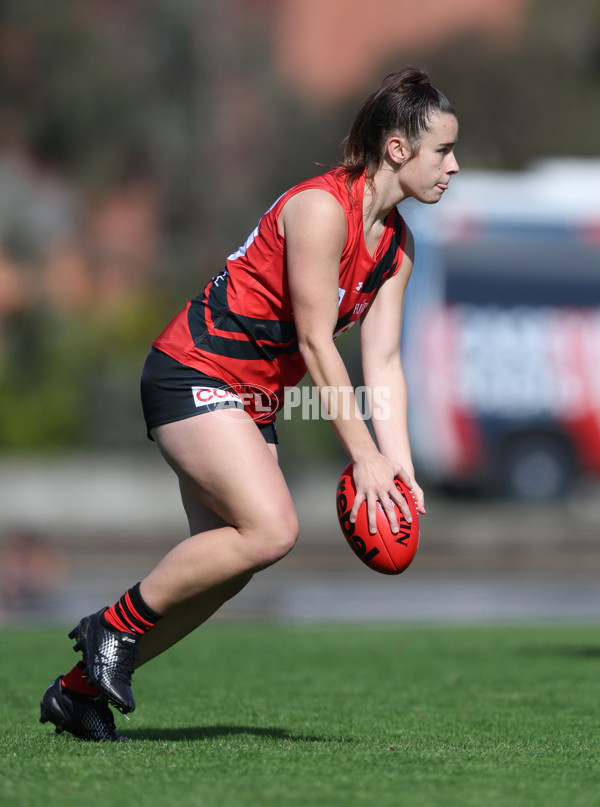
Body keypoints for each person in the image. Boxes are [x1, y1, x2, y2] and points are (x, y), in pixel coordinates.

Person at [39, 66, 459, 741]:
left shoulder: (397, 250)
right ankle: (109, 628)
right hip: (192, 371)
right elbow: (321, 347)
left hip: (248, 398)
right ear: (398, 149)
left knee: (227, 563)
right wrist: (364, 458)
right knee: (272, 530)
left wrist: (399, 470)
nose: (454, 165)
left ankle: (78, 691)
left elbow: (382, 363)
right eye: (443, 150)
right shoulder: (323, 210)